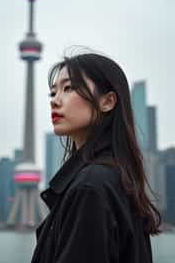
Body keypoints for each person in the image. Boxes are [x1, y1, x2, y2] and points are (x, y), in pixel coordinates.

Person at [31, 49, 161, 263]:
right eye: (53, 92)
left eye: (69, 88)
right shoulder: (114, 178)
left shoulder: (90, 187)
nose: (55, 100)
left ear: (107, 102)